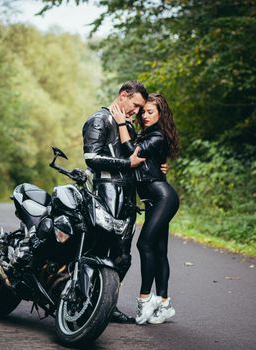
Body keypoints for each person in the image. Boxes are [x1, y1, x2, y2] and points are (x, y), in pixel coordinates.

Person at [110, 93, 180, 325]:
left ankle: (144, 299)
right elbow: (148, 160)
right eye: (144, 112)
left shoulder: (157, 135)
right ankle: (164, 304)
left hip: (163, 197)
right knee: (159, 251)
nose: (145, 116)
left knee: (144, 244)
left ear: (161, 114)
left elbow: (133, 154)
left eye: (151, 112)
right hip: (153, 200)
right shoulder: (148, 134)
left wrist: (121, 123)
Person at [82, 80, 148, 323]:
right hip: (104, 194)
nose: (137, 111)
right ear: (123, 95)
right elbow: (91, 157)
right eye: (136, 105)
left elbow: (137, 158)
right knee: (97, 250)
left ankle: (106, 305)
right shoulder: (99, 119)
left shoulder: (127, 126)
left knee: (123, 258)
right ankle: (84, 301)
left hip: (128, 200)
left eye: (141, 108)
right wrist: (126, 164)